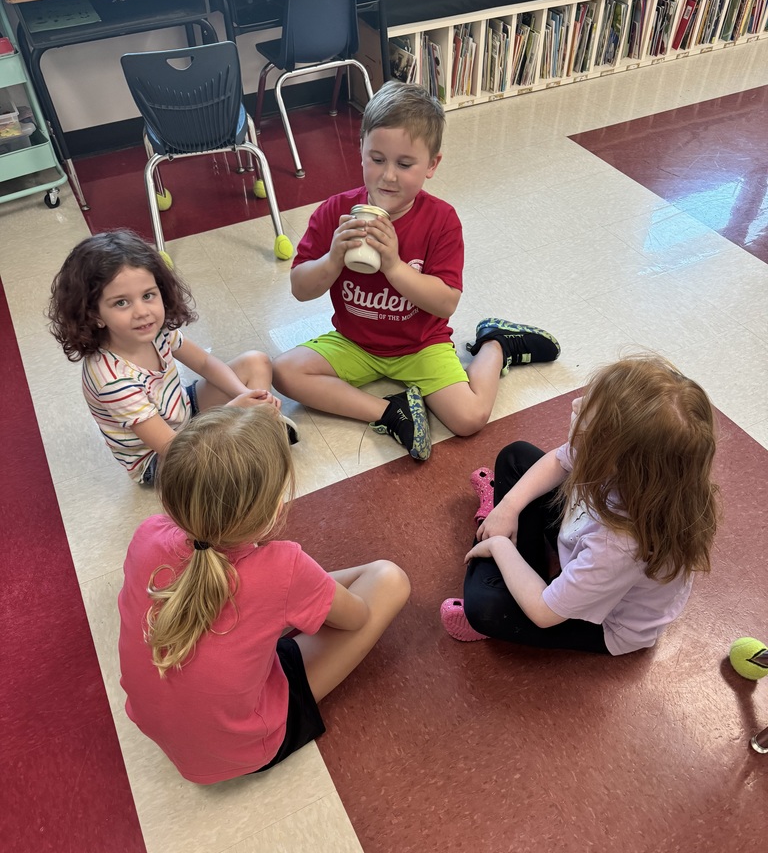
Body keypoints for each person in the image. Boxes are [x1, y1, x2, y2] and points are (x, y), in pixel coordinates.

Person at [118, 407, 410, 784]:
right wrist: (305, 588)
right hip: (242, 748)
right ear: (274, 508)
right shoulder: (282, 565)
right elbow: (355, 618)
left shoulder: (147, 533)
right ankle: (305, 600)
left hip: (161, 727)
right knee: (390, 578)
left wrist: (299, 592)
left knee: (293, 601)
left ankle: (303, 600)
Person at [272, 81, 560, 462]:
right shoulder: (334, 213)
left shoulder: (441, 220)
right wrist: (332, 259)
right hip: (356, 341)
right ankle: (391, 412)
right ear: (360, 151)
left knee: (469, 417)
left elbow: (446, 303)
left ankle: (496, 344)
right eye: (377, 159)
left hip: (421, 343)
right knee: (284, 373)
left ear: (432, 166)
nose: (388, 176)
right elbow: (299, 288)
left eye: (405, 164)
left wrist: (392, 266)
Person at [440, 355, 720, 655]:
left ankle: (495, 544)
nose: (575, 404)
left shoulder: (620, 547)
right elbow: (559, 460)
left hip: (606, 624)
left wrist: (499, 546)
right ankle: (502, 527)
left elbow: (544, 613)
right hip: (590, 549)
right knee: (517, 456)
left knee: (484, 607)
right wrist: (507, 507)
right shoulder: (651, 476)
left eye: (587, 413)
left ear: (611, 456)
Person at [48, 229, 296, 486]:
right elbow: (172, 447)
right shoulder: (113, 381)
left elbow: (204, 363)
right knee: (217, 471)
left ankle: (256, 432)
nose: (142, 312)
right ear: (93, 314)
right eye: (121, 303)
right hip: (160, 457)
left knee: (256, 361)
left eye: (148, 295)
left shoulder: (156, 331)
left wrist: (244, 395)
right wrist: (236, 410)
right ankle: (256, 440)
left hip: (183, 413)